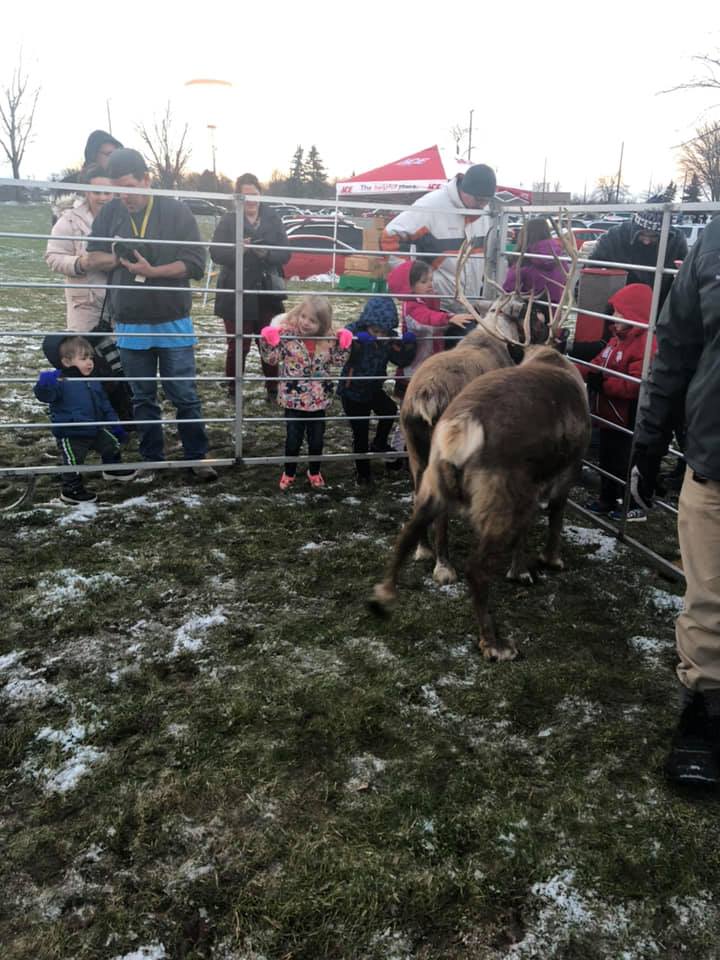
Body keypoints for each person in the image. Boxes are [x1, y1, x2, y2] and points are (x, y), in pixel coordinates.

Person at [631, 214, 720, 787]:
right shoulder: (715, 241)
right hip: (716, 461)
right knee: (710, 597)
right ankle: (710, 708)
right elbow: (678, 346)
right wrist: (650, 436)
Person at [84, 148, 216, 481]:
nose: (124, 197)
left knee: (184, 395)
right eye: (118, 190)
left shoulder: (177, 211)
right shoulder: (111, 212)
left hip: (173, 320)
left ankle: (196, 457)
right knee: (142, 397)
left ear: (147, 179)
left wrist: (152, 270)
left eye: (130, 187)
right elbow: (93, 257)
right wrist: (118, 257)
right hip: (129, 322)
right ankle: (151, 458)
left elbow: (195, 264)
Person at [45, 164, 134, 426]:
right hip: (85, 303)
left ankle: (126, 412)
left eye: (108, 191)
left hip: (122, 300)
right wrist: (80, 263)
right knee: (89, 359)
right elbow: (52, 257)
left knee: (124, 358)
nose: (104, 197)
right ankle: (91, 413)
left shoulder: (126, 216)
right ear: (86, 191)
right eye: (97, 191)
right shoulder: (69, 221)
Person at [210, 173, 291, 400]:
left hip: (267, 292)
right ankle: (233, 389)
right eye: (245, 196)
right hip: (236, 291)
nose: (250, 200)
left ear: (260, 194)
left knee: (269, 341)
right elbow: (215, 252)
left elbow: (285, 253)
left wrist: (266, 253)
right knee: (238, 345)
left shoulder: (273, 219)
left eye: (254, 195)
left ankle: (273, 389)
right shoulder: (228, 220)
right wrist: (239, 249)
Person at [258, 296, 352, 490]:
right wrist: (268, 341)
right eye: (303, 316)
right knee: (293, 439)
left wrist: (344, 344)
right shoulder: (288, 336)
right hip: (293, 400)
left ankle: (314, 471)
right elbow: (272, 359)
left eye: (312, 320)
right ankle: (289, 472)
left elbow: (338, 361)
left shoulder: (328, 340)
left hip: (319, 400)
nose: (306, 323)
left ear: (323, 324)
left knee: (316, 441)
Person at [33, 335, 137, 504]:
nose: (90, 362)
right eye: (83, 358)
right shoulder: (59, 381)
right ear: (67, 362)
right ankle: (71, 489)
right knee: (74, 461)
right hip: (72, 433)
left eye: (91, 358)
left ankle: (112, 468)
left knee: (111, 444)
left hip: (96, 428)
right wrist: (44, 384)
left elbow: (104, 404)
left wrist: (116, 425)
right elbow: (45, 396)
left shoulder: (93, 380)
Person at [381, 163, 497, 311]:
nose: (483, 205)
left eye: (486, 201)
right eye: (479, 200)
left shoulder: (483, 211)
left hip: (470, 307)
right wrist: (413, 278)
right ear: (465, 190)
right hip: (434, 307)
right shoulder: (431, 206)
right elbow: (389, 238)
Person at [584, 283, 655, 521]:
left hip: (627, 418)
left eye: (620, 314)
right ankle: (607, 497)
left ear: (636, 315)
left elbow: (636, 385)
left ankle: (635, 504)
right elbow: (596, 364)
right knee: (607, 458)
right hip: (608, 416)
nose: (613, 319)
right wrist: (572, 369)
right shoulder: (616, 340)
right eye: (613, 313)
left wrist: (603, 384)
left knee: (627, 461)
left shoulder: (645, 344)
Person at [337, 297, 417, 486]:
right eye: (375, 331)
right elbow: (341, 349)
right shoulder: (354, 332)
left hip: (373, 388)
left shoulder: (388, 338)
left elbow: (401, 360)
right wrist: (355, 343)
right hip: (352, 391)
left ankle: (380, 443)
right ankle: (363, 473)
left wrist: (408, 346)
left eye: (383, 332)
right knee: (360, 433)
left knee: (389, 411)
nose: (379, 335)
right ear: (366, 324)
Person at [392, 260, 473, 397]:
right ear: (410, 286)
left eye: (431, 279)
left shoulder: (426, 299)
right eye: (424, 282)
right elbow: (426, 319)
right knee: (413, 393)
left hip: (430, 354)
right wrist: (449, 318)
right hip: (416, 361)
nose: (430, 284)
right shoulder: (411, 305)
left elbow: (434, 314)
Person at [590, 197, 687, 308]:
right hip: (618, 310)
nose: (647, 241)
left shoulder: (676, 241)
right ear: (635, 227)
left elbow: (685, 277)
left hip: (658, 307)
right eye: (642, 234)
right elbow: (592, 269)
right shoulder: (615, 237)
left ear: (666, 234)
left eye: (654, 236)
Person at [502, 217, 568, 305]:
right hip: (554, 311)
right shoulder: (561, 259)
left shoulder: (524, 260)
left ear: (525, 235)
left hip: (527, 311)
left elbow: (508, 290)